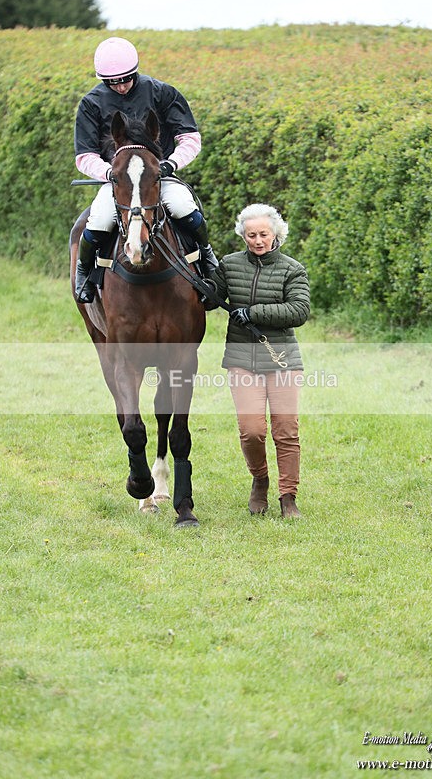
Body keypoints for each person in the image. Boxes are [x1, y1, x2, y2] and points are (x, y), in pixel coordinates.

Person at [73, 36, 218, 302]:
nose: (120, 86)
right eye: (112, 82)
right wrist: (110, 173)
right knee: (100, 219)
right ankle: (84, 273)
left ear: (135, 71)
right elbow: (85, 156)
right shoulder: (91, 103)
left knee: (183, 207)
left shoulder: (162, 93)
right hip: (118, 181)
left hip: (157, 176)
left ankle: (207, 258)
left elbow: (190, 138)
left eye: (125, 79)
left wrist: (170, 164)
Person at [211, 204, 310, 518]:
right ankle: (260, 479)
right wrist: (202, 268)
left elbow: (299, 311)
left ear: (275, 234)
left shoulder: (292, 269)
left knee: (286, 430)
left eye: (263, 234)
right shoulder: (229, 265)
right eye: (251, 235)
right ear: (243, 236)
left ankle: (288, 496)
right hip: (241, 359)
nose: (257, 240)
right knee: (251, 430)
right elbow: (209, 298)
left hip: (282, 360)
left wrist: (254, 313)